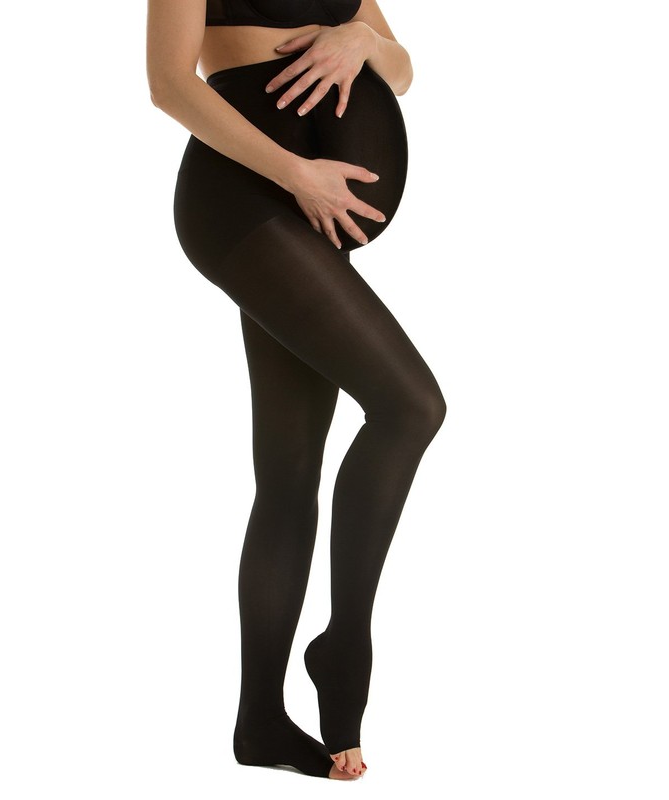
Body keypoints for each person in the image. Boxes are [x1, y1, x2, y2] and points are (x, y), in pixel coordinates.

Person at [146, 0, 446, 781]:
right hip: (244, 198)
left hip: (309, 218)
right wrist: (296, 173)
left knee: (287, 480)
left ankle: (259, 723)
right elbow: (168, 83)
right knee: (410, 406)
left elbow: (401, 70)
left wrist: (361, 38)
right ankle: (344, 647)